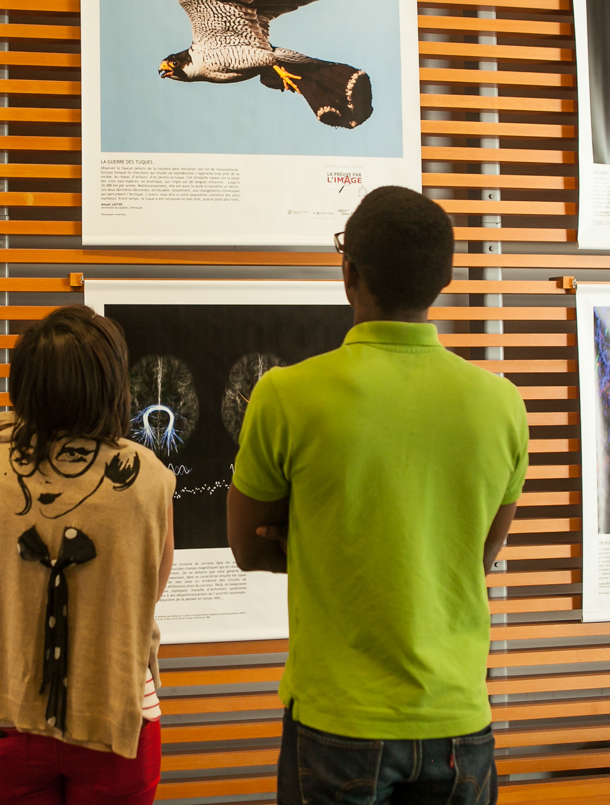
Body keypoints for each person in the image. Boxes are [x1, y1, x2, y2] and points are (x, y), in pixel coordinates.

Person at [227, 185, 527, 805]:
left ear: (349, 272)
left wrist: (328, 544)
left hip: (340, 720)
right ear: (443, 279)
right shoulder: (502, 404)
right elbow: (477, 555)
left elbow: (248, 548)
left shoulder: (287, 396)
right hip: (459, 721)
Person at [0, 304, 176, 805]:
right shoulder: (149, 476)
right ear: (110, 382)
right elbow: (150, 587)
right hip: (117, 709)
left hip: (3, 706)